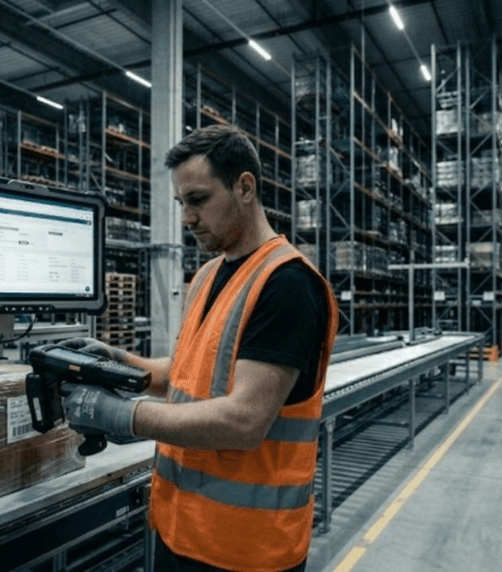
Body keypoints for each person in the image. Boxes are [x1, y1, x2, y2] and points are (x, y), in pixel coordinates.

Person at [59, 124, 338, 572]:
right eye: (181, 203)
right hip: (180, 528)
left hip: (245, 550)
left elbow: (243, 421)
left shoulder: (287, 284)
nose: (186, 218)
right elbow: (187, 373)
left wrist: (120, 415)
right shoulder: (207, 276)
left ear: (245, 187)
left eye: (198, 200)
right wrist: (116, 362)